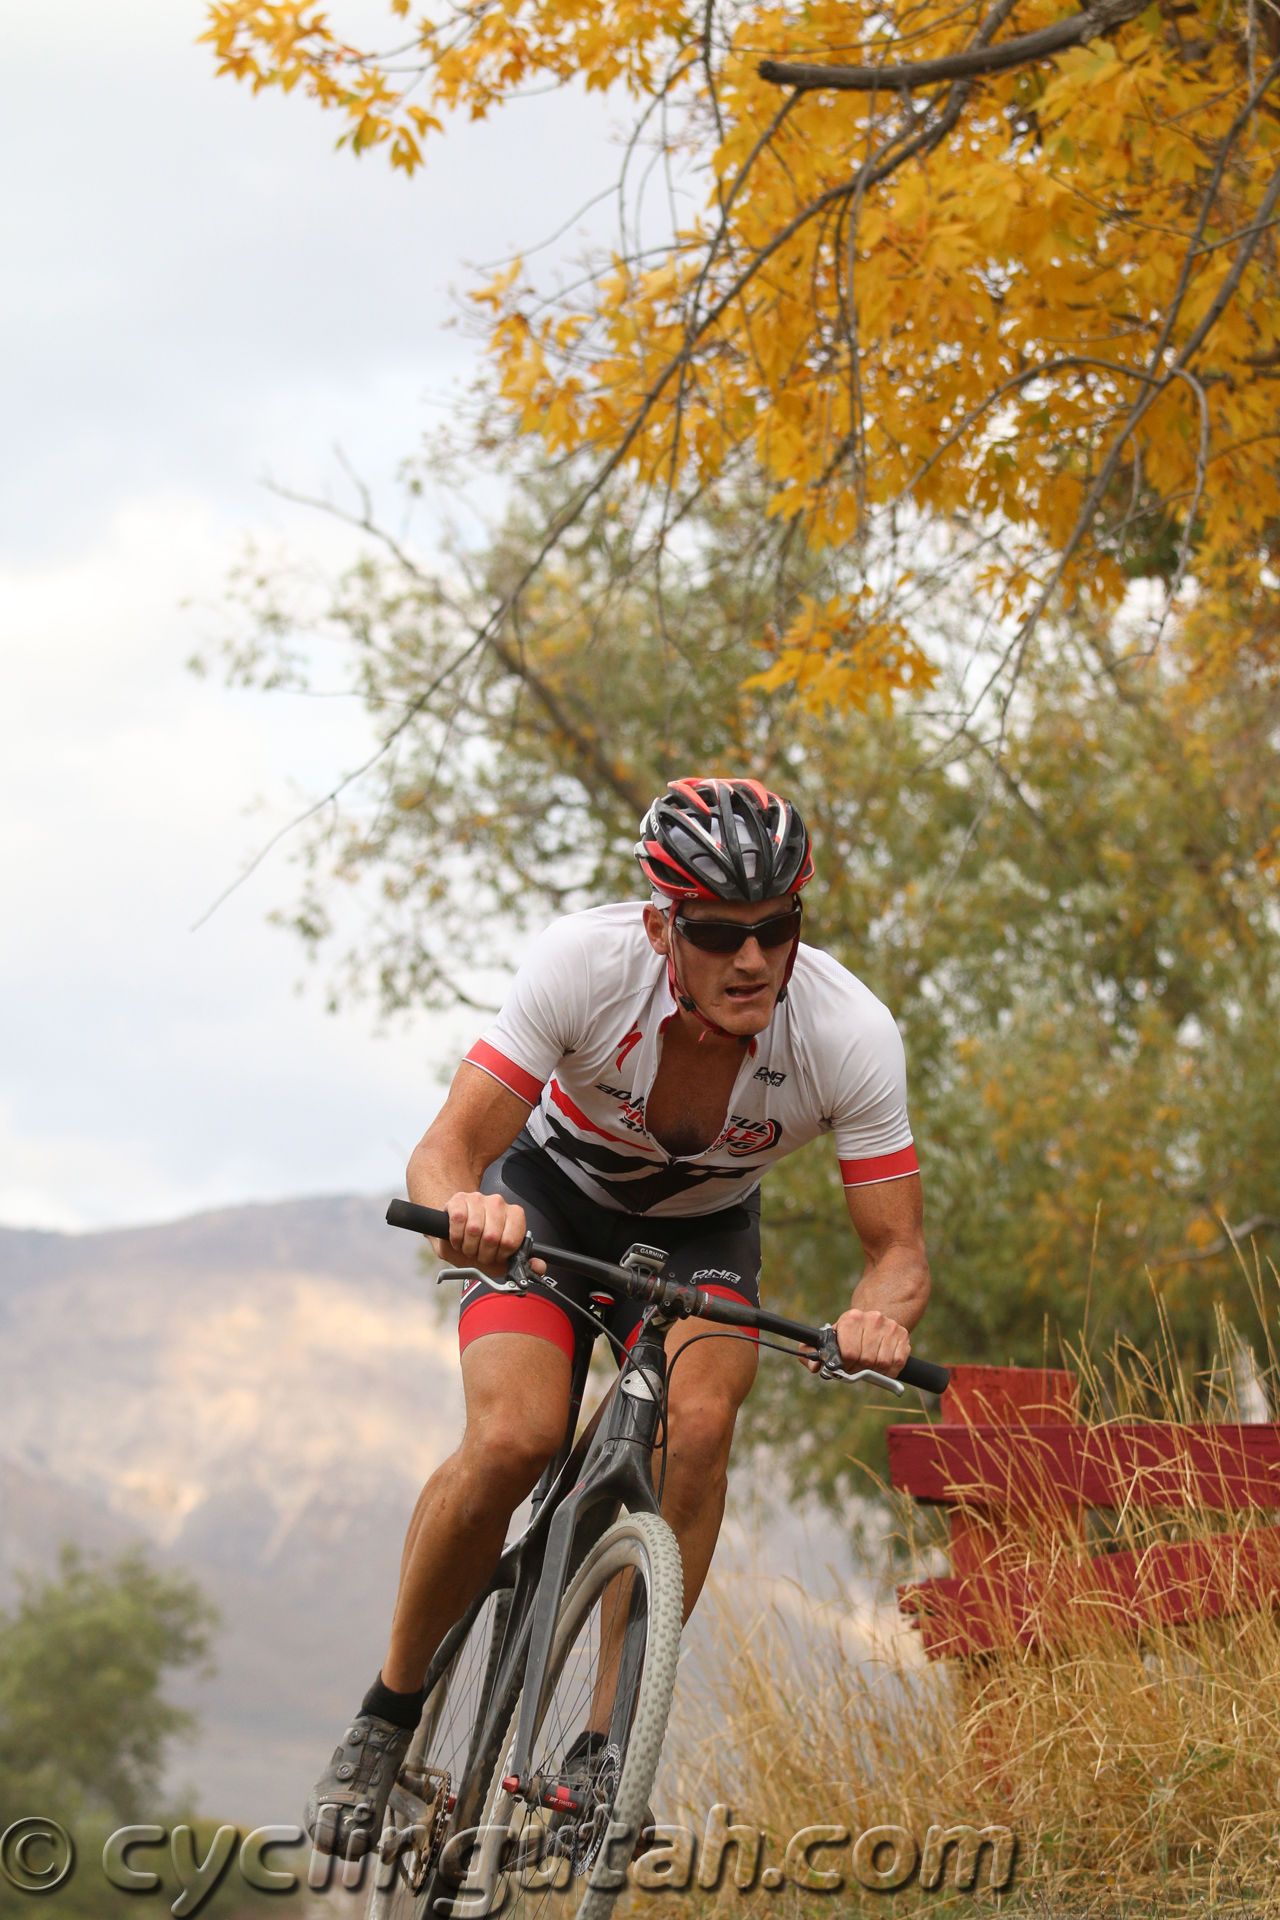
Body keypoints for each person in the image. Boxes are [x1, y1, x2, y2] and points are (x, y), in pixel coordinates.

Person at [305, 776, 931, 1857]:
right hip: (542, 1205)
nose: (751, 960)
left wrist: (875, 1321)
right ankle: (385, 1715)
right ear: (658, 926)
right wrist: (466, 1207)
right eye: (718, 933)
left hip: (704, 1237)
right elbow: (447, 1146)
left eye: (775, 929)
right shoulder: (583, 967)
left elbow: (896, 1254)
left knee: (700, 1425)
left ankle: (603, 1750)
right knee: (511, 1440)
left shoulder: (849, 1032)